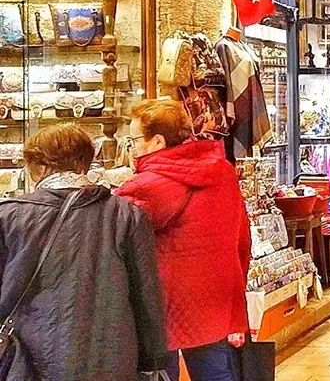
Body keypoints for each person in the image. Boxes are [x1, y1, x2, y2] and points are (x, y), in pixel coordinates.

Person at [0, 124, 168, 380]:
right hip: (111, 357)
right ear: (85, 164)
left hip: (29, 361)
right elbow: (146, 295)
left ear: (40, 168)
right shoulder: (125, 215)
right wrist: (152, 359)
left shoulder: (9, 216)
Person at [115, 100, 251, 381]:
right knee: (216, 370)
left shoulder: (148, 185)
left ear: (157, 142)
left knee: (159, 372)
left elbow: (117, 237)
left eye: (134, 140)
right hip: (215, 293)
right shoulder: (221, 171)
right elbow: (242, 235)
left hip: (161, 300)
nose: (132, 147)